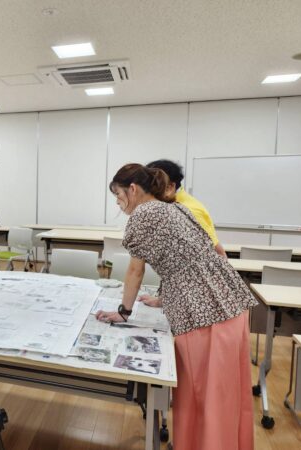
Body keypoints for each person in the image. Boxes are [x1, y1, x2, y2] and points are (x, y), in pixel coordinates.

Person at [96, 163, 257, 450]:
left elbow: (135, 271)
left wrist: (123, 312)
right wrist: (164, 296)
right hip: (229, 305)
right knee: (226, 396)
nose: (119, 204)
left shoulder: (144, 214)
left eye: (118, 196)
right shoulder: (175, 207)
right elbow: (193, 257)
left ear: (132, 189)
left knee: (201, 394)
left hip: (204, 315)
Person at [138, 159, 226, 308]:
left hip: (204, 295)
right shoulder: (170, 206)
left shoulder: (187, 209)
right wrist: (162, 300)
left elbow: (217, 253)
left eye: (152, 186)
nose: (147, 193)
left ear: (170, 186)